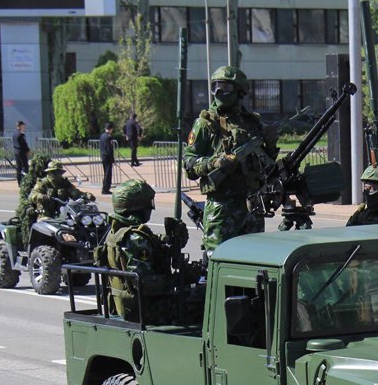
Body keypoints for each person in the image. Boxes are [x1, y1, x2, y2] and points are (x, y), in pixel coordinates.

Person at [183, 65, 278, 252]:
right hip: (221, 207)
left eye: (225, 87)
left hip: (252, 205)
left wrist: (271, 144)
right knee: (218, 258)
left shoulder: (253, 122)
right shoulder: (205, 123)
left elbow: (267, 164)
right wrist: (214, 163)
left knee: (255, 260)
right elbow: (189, 164)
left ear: (240, 91)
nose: (219, 92)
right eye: (216, 86)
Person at [101, 180, 188, 324]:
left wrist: (169, 239)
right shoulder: (135, 238)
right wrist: (180, 279)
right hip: (146, 309)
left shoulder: (117, 231)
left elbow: (152, 244)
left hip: (129, 305)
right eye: (149, 203)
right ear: (138, 207)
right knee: (203, 297)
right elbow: (144, 283)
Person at [98, 121, 116, 195]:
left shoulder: (102, 136)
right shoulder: (109, 137)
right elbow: (109, 149)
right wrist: (112, 159)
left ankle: (104, 188)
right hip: (107, 157)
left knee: (106, 173)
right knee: (108, 174)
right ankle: (106, 189)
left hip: (103, 156)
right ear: (110, 129)